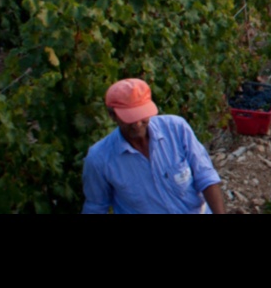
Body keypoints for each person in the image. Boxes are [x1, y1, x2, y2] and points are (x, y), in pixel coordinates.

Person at [82, 78, 225, 214]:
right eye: (129, 119)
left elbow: (206, 178)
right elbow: (96, 207)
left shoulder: (176, 129)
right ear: (112, 116)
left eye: (141, 116)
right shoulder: (100, 159)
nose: (137, 124)